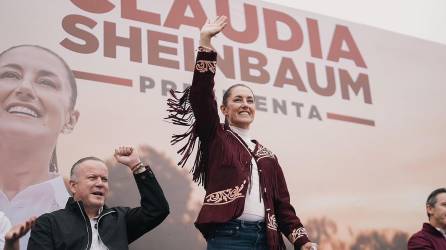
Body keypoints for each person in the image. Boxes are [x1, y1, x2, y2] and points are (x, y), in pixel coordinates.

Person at [167, 16, 314, 250]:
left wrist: (302, 240)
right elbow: (201, 96)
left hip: (268, 240)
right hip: (229, 236)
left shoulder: (268, 156)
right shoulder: (216, 137)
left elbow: (283, 207)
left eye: (250, 100)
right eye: (237, 99)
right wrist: (205, 43)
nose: (245, 104)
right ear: (224, 109)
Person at [0, 45, 79, 247]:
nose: (24, 88)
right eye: (10, 74)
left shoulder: (81, 215)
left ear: (70, 120)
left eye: (46, 82)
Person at [27, 146, 169, 249]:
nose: (100, 184)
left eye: (104, 179)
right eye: (92, 178)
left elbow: (157, 210)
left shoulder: (120, 219)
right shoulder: (48, 223)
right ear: (73, 186)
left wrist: (136, 166)